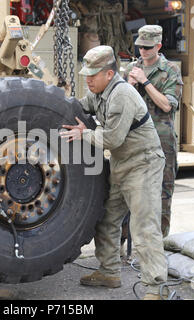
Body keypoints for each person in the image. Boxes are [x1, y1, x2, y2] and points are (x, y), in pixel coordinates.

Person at [60, 45, 168, 300]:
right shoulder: (99, 93)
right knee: (106, 219)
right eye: (86, 74)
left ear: (109, 74)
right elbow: (79, 107)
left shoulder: (122, 94)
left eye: (93, 75)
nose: (88, 79)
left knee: (144, 227)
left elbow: (113, 138)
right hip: (121, 165)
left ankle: (156, 288)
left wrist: (83, 134)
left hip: (143, 164)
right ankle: (109, 272)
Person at [123, 25, 183, 237]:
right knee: (128, 193)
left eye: (148, 47)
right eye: (140, 47)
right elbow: (119, 106)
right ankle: (125, 244)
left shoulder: (170, 71)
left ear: (158, 46)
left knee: (162, 193)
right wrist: (128, 84)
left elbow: (167, 105)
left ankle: (159, 243)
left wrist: (145, 82)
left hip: (161, 140)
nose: (143, 51)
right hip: (134, 141)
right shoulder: (130, 69)